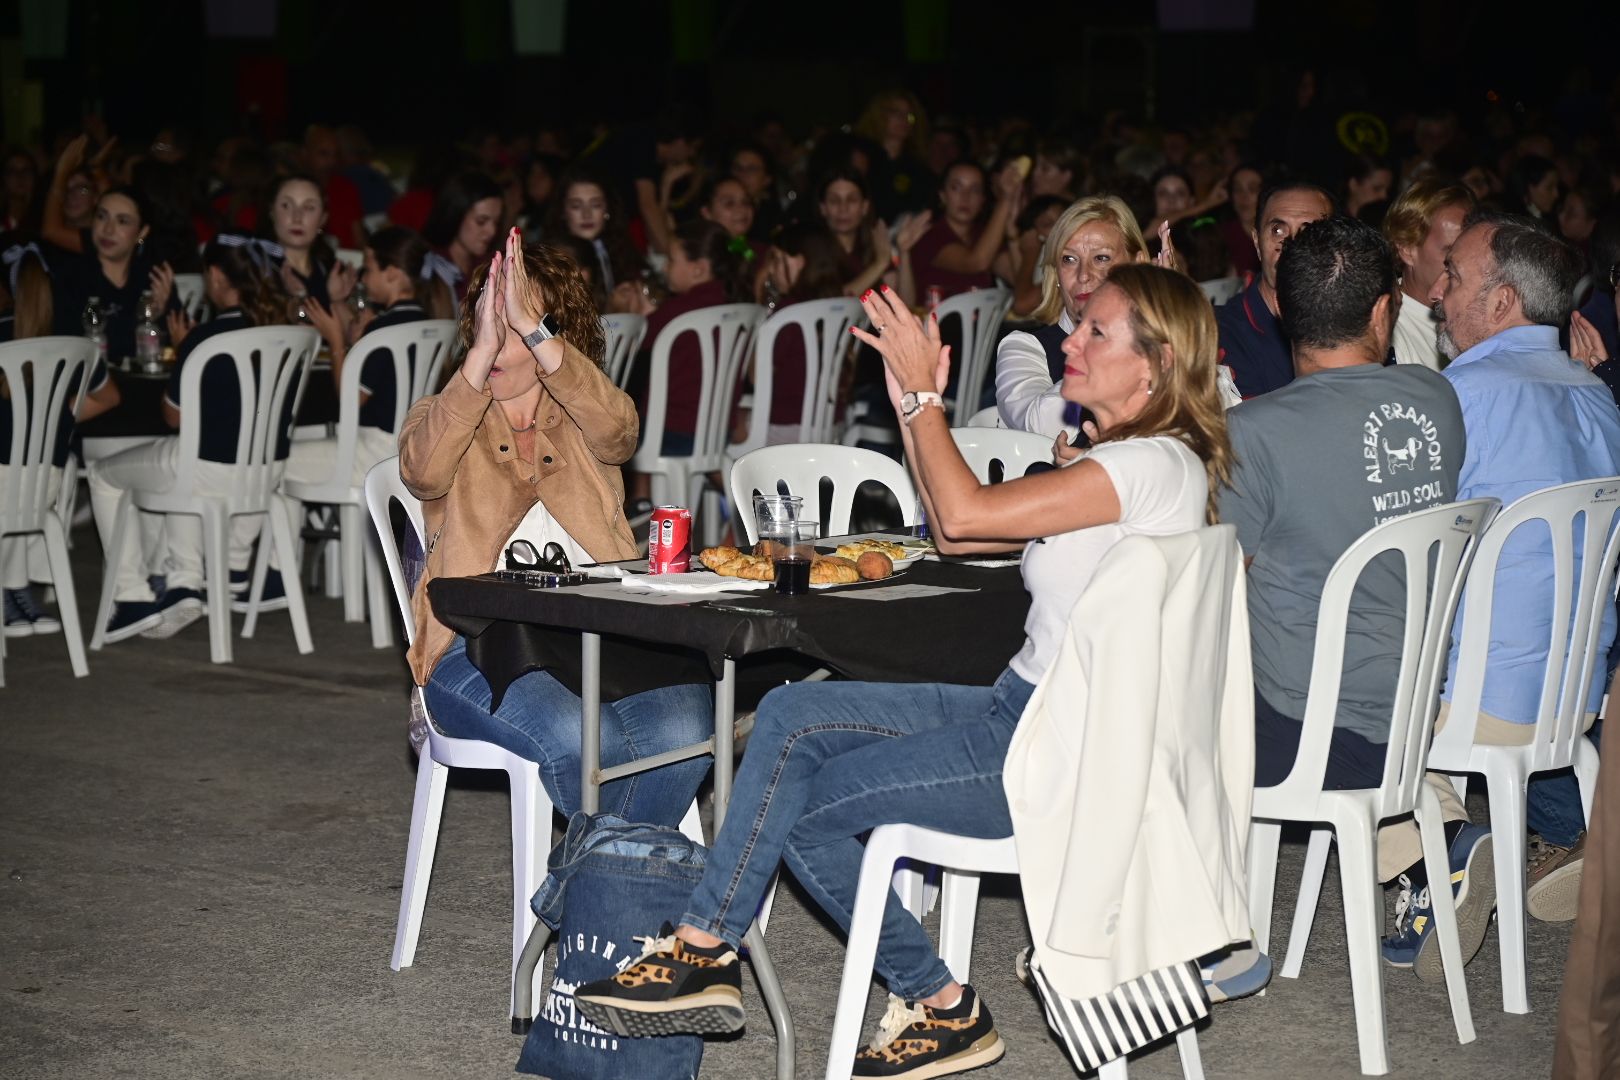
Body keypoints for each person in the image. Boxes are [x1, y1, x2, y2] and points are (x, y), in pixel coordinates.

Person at [574, 266, 1239, 1077]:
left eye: (1097, 331)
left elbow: (961, 515)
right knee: (789, 717)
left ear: (1158, 363)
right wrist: (910, 405)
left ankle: (933, 1002)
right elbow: (959, 539)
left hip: (1052, 751)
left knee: (811, 812)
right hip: (1023, 709)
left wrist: (928, 403)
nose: (1070, 338)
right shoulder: (1134, 462)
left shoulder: (1145, 469)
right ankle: (707, 948)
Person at [1217, 216, 1481, 982]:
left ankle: (1210, 936)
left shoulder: (1254, 432)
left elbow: (1212, 583)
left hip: (1307, 728)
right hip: (1418, 709)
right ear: (1382, 313)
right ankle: (1432, 830)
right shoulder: (1437, 399)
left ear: (1276, 313)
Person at [401, 227, 712, 822]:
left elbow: (621, 433)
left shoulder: (584, 415)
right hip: (475, 646)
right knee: (582, 739)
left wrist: (537, 333)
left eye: (514, 328)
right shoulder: (446, 414)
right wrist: (480, 355)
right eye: (487, 323)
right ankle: (621, 896)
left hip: (601, 632)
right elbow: (422, 471)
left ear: (553, 338)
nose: (495, 345)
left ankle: (601, 897)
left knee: (687, 726)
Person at [1403, 211, 1620, 940]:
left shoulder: (1456, 398)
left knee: (1342, 697)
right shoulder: (1598, 399)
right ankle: (1557, 836)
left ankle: (1455, 849)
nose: (1435, 292)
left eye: (1453, 276)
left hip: (1476, 703)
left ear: (1501, 304)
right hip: (1575, 702)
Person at [88, 234, 289, 641]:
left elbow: (173, 416)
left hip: (206, 469)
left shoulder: (205, 339)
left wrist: (185, 350)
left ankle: (132, 596)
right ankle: (184, 581)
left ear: (215, 277)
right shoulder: (286, 335)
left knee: (103, 475)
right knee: (177, 460)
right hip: (265, 471)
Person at [1, 242, 119, 635]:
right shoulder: (73, 345)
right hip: (42, 488)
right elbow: (109, 397)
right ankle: (14, 588)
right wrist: (57, 411)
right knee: (23, 470)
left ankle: (10, 592)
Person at [295, 225, 455, 491]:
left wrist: (336, 341)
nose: (363, 279)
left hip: (371, 454)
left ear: (391, 273)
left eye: (368, 270)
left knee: (278, 463)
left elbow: (351, 400)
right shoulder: (428, 325)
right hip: (411, 449)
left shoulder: (383, 330)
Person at [996, 196, 1148, 439]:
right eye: (1069, 259)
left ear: (1137, 266)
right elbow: (1040, 428)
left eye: (1101, 258)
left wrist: (1167, 324)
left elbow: (1219, 413)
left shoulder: (1157, 344)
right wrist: (1110, 340)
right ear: (1056, 274)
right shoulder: (1024, 347)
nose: (1084, 275)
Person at [620, 219, 752, 458]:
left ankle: (641, 494)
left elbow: (630, 345)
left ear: (698, 269)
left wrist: (638, 317)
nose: (664, 268)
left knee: (617, 428)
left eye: (671, 260)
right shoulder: (737, 305)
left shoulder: (678, 311)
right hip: (719, 431)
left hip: (670, 431)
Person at [1215, 181, 1334, 399]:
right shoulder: (1221, 332)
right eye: (1278, 230)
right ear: (1257, 242)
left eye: (1308, 231)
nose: (1291, 245)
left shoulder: (1352, 324)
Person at [49, 186, 177, 361]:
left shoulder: (153, 278)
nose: (108, 230)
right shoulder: (71, 277)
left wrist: (160, 317)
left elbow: (176, 350)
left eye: (122, 221)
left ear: (142, 232)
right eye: (102, 217)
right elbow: (68, 351)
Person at [1382, 175, 1475, 371]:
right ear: (1407, 249)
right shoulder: (1387, 330)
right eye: (1450, 252)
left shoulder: (1481, 315)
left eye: (1473, 253)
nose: (1466, 265)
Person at [899, 159, 1022, 306]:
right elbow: (976, 262)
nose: (966, 197)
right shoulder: (928, 234)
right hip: (933, 325)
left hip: (980, 328)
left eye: (975, 190)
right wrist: (1005, 200)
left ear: (982, 200)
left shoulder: (983, 235)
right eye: (956, 187)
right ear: (943, 195)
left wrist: (1012, 232)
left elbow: (1019, 281)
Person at [544, 168, 645, 311]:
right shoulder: (551, 259)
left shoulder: (621, 249)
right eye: (576, 206)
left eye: (595, 205)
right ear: (563, 211)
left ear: (607, 209)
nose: (587, 214)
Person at [264, 174, 352, 315]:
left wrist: (338, 301)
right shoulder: (257, 270)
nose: (297, 218)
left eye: (309, 207)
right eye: (286, 205)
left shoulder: (331, 272)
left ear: (323, 218)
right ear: (272, 212)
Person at [421, 171, 503, 302]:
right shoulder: (430, 267)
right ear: (455, 214)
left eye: (496, 222)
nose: (492, 231)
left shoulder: (491, 266)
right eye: (481, 221)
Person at [300, 124, 366, 248]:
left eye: (335, 155)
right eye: (323, 154)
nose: (331, 162)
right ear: (305, 153)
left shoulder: (346, 188)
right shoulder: (291, 192)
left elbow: (359, 240)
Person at [1506, 155, 1560, 220]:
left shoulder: (1551, 219)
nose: (1556, 194)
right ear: (1528, 188)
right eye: (1549, 187)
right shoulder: (1512, 223)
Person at [1343, 155, 1394, 219]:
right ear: (1354, 184)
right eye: (1377, 188)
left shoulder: (1379, 223)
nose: (1384, 196)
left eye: (1388, 190)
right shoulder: (1334, 219)